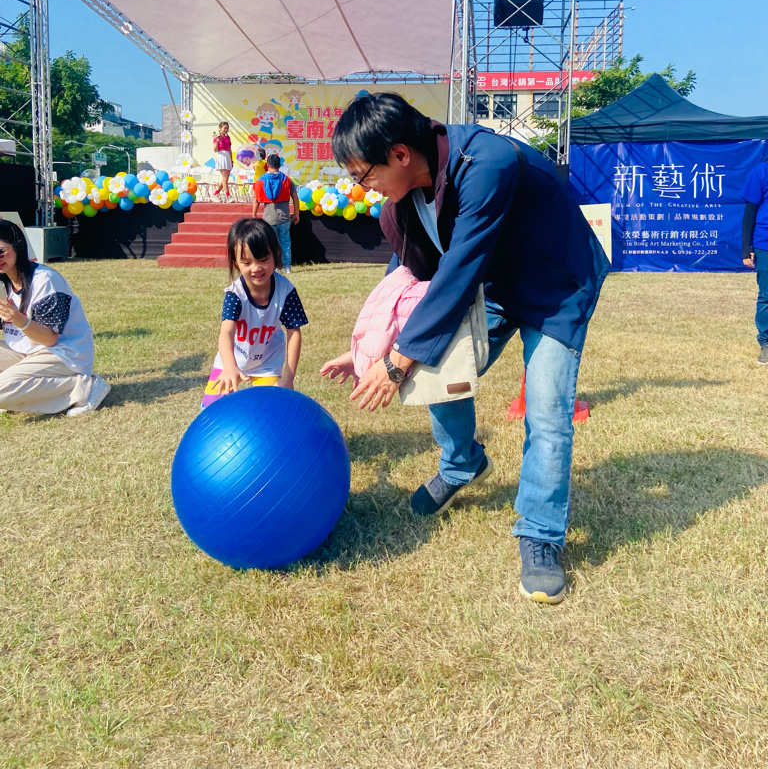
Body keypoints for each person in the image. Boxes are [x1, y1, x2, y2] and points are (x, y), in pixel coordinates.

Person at [320, 93, 610, 605]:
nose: (362, 188)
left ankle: (540, 535)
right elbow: (405, 277)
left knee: (546, 413)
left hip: (556, 288)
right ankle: (462, 464)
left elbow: (459, 269)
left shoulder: (486, 163)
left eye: (363, 175)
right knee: (433, 373)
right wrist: (369, 348)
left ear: (400, 155)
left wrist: (398, 361)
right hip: (494, 286)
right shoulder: (405, 202)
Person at [0, 219, 110, 416]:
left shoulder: (45, 280)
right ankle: (17, 389)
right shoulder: (5, 281)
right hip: (25, 350)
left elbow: (49, 338)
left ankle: (84, 386)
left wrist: (17, 318)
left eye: (1, 251)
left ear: (18, 246)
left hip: (63, 353)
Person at [201, 218, 308, 408]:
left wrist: (288, 377)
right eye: (247, 262)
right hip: (232, 359)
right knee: (211, 407)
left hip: (267, 363)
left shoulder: (286, 290)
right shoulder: (235, 294)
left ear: (275, 254)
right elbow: (226, 332)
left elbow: (294, 332)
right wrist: (229, 367)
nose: (256, 268)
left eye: (263, 260)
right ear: (236, 263)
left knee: (271, 409)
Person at [252, 154, 300, 275]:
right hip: (284, 217)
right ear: (279, 165)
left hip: (269, 218)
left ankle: (274, 267)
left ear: (267, 165)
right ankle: (287, 267)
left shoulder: (261, 180)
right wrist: (296, 213)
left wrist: (254, 214)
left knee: (270, 244)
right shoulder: (287, 179)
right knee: (285, 242)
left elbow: (256, 199)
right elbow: (295, 197)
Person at [740, 158, 768, 364]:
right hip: (765, 244)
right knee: (767, 296)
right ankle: (766, 344)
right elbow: (750, 211)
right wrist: (746, 248)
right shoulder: (762, 170)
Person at [212, 121, 233, 198]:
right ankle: (228, 196)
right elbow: (215, 150)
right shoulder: (217, 138)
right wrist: (217, 143)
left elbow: (230, 149)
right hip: (221, 157)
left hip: (227, 157)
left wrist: (231, 160)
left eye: (227, 128)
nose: (226, 130)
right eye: (224, 128)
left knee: (225, 179)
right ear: (220, 128)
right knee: (224, 178)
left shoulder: (228, 137)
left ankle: (215, 194)